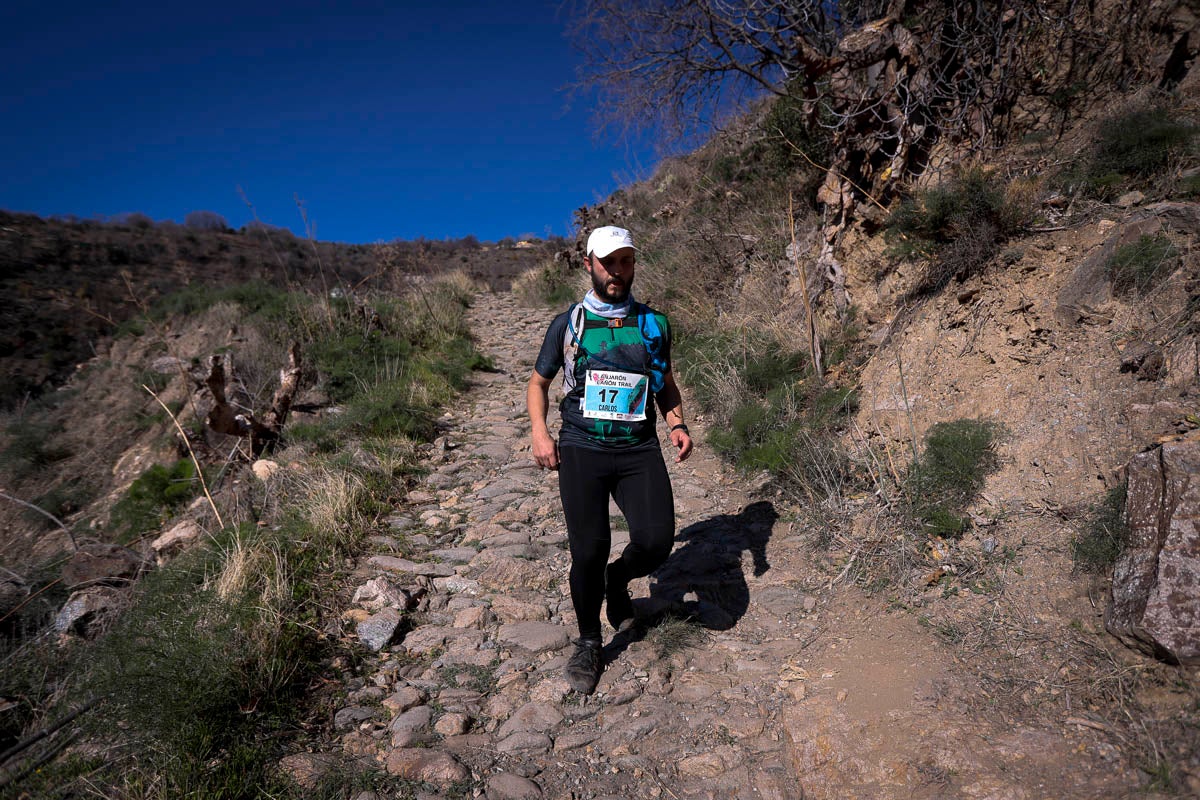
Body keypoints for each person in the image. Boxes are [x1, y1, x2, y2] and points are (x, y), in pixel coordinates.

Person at [526, 225, 693, 694]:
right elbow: (538, 383)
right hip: (582, 445)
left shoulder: (653, 324)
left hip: (638, 447)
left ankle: (618, 581)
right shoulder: (568, 324)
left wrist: (677, 424)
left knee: (658, 540)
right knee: (589, 549)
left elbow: (664, 383)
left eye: (624, 262)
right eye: (607, 263)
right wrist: (540, 432)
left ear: (633, 264)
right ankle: (588, 640)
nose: (616, 272)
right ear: (589, 265)